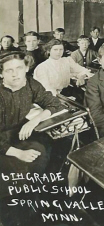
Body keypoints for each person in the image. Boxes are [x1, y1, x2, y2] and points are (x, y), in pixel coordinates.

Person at [0, 52, 64, 224]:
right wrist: (16, 153)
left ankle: (31, 204)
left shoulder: (30, 84)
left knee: (42, 151)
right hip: (2, 144)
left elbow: (54, 104)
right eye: (9, 70)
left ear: (26, 68)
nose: (15, 74)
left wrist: (34, 121)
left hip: (17, 134)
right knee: (12, 175)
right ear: (1, 74)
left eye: (19, 68)